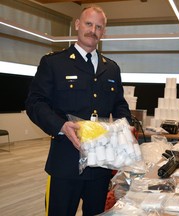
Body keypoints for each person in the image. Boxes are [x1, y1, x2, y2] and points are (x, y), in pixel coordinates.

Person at [25, 6, 131, 216]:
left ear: (104, 32)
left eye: (99, 27)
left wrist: (124, 126)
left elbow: (119, 104)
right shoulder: (54, 63)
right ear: (77, 25)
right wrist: (61, 125)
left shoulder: (111, 68)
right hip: (66, 164)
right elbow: (34, 103)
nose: (93, 30)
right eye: (89, 24)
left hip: (101, 166)